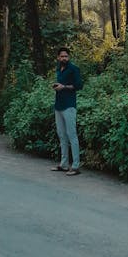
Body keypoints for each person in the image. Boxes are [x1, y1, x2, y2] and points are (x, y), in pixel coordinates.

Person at [50, 47, 83, 176]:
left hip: (69, 106)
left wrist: (64, 87)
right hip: (58, 105)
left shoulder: (74, 69)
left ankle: (75, 166)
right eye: (62, 56)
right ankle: (63, 164)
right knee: (62, 135)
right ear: (58, 58)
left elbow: (79, 85)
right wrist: (57, 86)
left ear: (68, 57)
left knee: (72, 135)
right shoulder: (59, 69)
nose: (64, 58)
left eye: (66, 56)